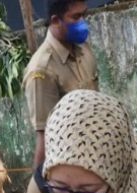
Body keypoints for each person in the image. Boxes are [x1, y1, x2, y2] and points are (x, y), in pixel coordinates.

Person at [23, 0, 98, 168]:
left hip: (98, 153)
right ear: (56, 20)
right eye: (76, 17)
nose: (82, 23)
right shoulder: (41, 70)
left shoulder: (84, 51)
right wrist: (41, 188)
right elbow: (45, 136)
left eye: (83, 15)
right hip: (73, 165)